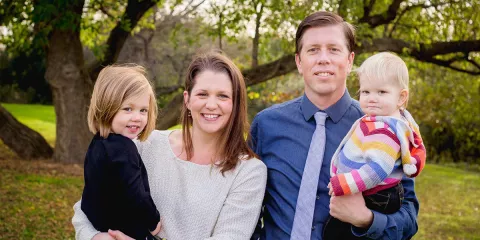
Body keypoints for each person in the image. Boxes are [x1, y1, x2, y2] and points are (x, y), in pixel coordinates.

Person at [250, 11, 420, 239]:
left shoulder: (387, 126)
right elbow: (245, 206)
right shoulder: (266, 125)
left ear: (349, 61)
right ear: (299, 62)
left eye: (333, 49)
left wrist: (366, 220)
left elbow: (408, 220)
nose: (323, 58)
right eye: (313, 50)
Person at [72, 51, 267, 240]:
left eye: (223, 96)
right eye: (202, 94)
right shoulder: (142, 145)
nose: (211, 104)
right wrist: (95, 237)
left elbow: (230, 237)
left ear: (235, 104)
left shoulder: (249, 171)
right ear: (187, 100)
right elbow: (90, 204)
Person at [323, 52, 426, 239]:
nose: (371, 98)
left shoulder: (386, 130)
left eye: (382, 92)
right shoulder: (374, 120)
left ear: (401, 98)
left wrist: (346, 184)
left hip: (377, 196)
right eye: (365, 92)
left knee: (335, 233)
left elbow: (379, 168)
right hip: (368, 192)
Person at [81, 65, 161, 240]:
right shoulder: (124, 149)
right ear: (107, 107)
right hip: (128, 228)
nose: (137, 117)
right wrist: (154, 221)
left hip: (102, 223)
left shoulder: (98, 143)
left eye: (143, 110)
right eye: (127, 109)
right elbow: (137, 194)